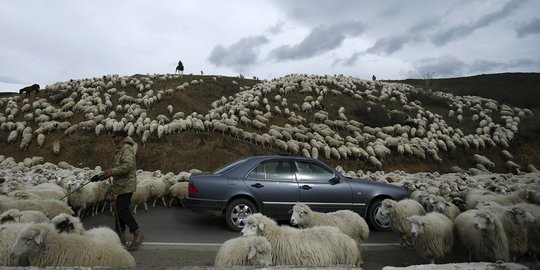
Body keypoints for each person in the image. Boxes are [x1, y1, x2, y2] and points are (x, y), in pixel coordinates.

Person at [91, 130, 144, 250]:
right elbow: (115, 168)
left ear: (121, 137)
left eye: (115, 137)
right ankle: (120, 238)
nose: (113, 139)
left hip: (126, 184)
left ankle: (137, 233)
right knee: (117, 209)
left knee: (122, 208)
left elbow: (127, 166)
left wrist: (110, 172)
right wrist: (101, 176)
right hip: (120, 184)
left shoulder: (126, 148)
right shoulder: (120, 149)